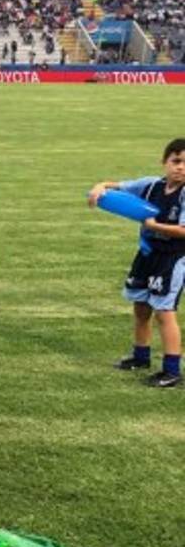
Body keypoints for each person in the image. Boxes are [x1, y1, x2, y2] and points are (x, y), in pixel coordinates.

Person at [88, 138, 185, 387]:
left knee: (164, 312)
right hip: (147, 253)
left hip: (172, 258)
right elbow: (117, 186)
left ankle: (172, 370)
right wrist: (100, 187)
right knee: (141, 306)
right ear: (164, 162)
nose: (181, 167)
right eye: (176, 161)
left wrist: (154, 225)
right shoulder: (152, 185)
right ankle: (140, 356)